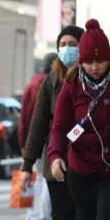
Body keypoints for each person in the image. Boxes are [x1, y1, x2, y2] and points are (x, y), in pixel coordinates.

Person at [48, 19, 110, 220]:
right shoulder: (71, 86)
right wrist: (56, 156)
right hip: (80, 171)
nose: (94, 67)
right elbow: (59, 126)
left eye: (100, 61)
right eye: (88, 61)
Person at [20, 25, 83, 220]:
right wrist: (27, 165)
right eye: (62, 45)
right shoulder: (51, 81)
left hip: (87, 163)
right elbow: (38, 125)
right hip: (57, 164)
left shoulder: (93, 78)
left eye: (73, 44)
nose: (67, 49)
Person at [19, 52, 58, 153]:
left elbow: (23, 118)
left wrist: (24, 144)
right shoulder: (54, 84)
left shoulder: (30, 86)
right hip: (52, 139)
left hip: (33, 140)